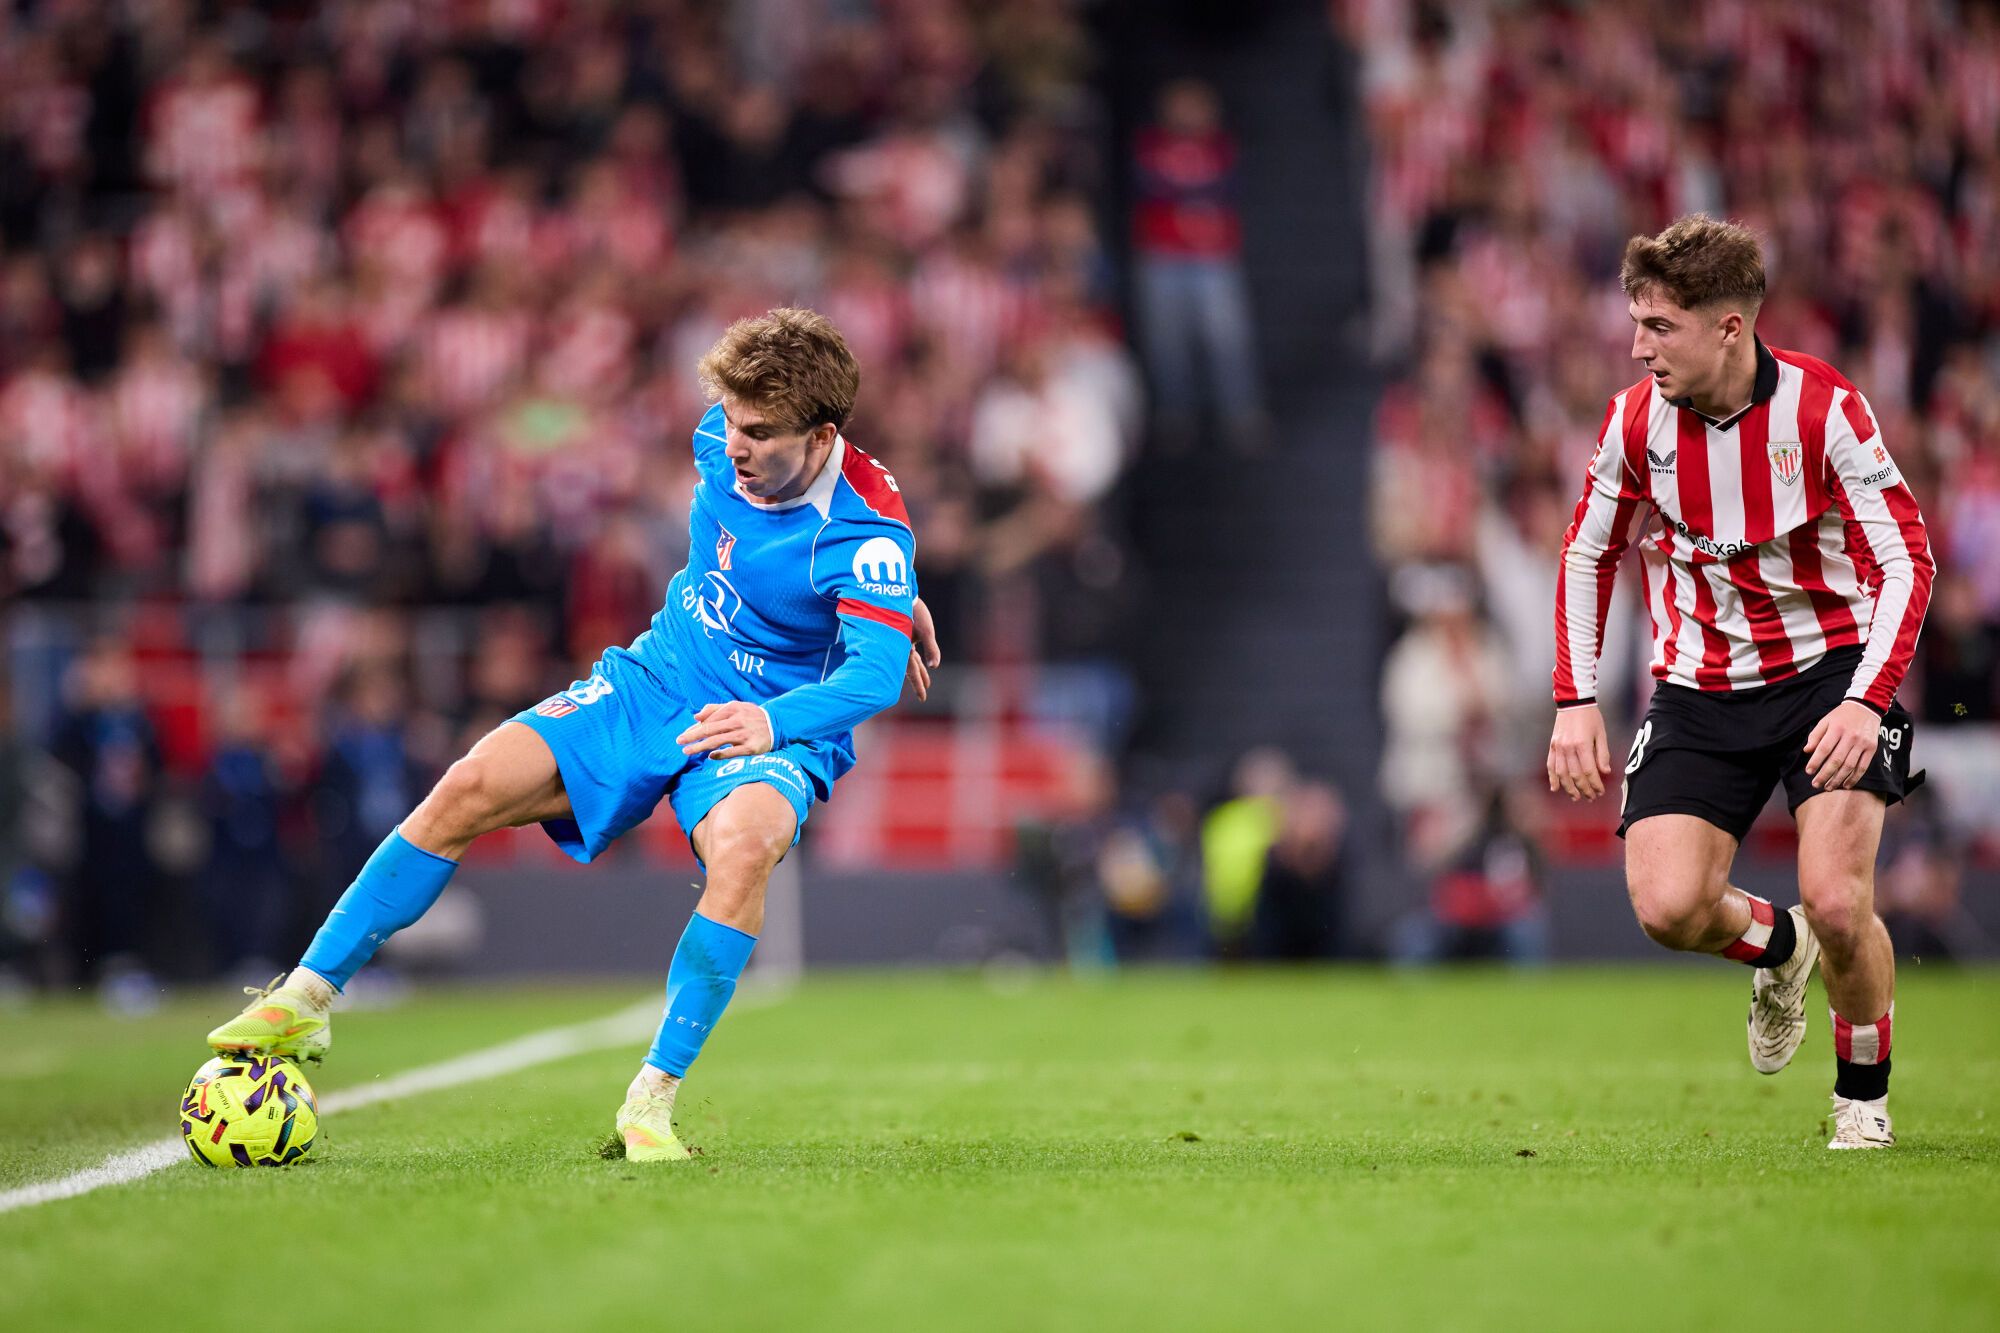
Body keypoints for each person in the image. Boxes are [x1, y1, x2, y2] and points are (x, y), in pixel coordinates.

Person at [205, 309, 941, 1162]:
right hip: (660, 677)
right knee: (469, 784)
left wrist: (790, 700)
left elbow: (874, 677)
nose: (735, 445)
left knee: (745, 849)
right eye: (732, 422)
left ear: (822, 435)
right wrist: (901, 605)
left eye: (761, 433)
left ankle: (652, 1100)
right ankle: (306, 995)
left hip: (769, 723)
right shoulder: (721, 437)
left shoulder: (865, 533)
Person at [1546, 216, 1934, 1150]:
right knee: (1669, 907)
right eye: (1636, 322)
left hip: (1829, 673)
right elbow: (1588, 551)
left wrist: (1864, 698)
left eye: (1660, 327)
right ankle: (1781, 948)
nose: (1640, 347)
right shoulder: (1636, 419)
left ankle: (1861, 1101)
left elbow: (1905, 556)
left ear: (1729, 326)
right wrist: (1574, 698)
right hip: (1700, 683)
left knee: (1841, 901)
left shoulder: (1824, 409)